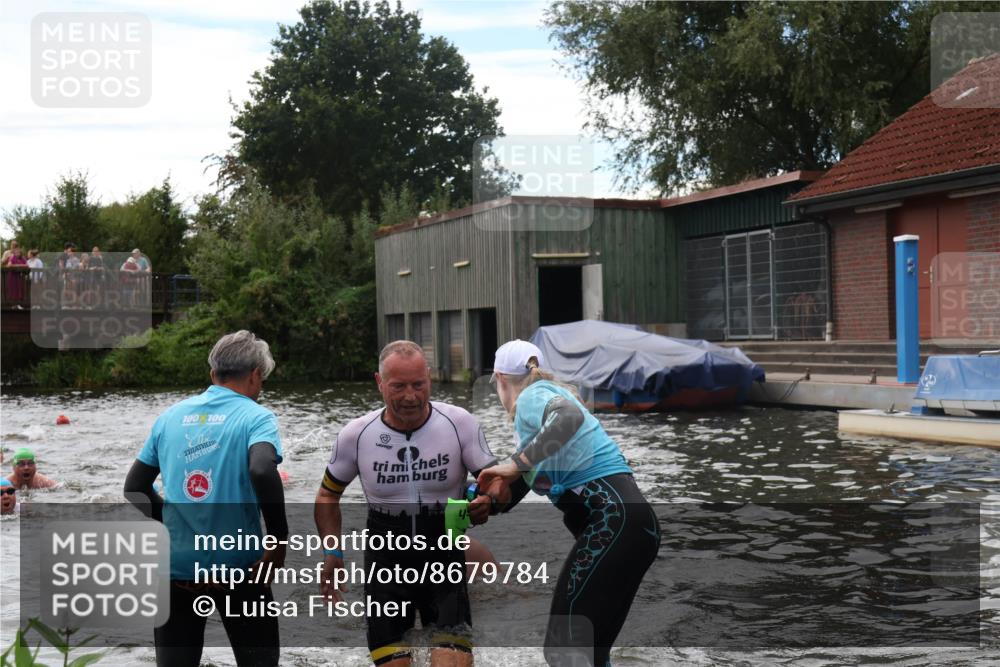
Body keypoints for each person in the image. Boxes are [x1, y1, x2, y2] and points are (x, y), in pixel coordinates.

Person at [314, 340, 524, 667]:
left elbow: (496, 482)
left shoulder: (459, 423)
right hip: (386, 568)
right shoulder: (356, 435)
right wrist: (333, 552)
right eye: (398, 387)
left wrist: (490, 499)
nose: (410, 396)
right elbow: (328, 494)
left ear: (429, 379)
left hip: (445, 563)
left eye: (418, 385)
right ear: (379, 383)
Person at [477, 340, 661, 667]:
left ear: (499, 378)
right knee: (590, 652)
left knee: (564, 650)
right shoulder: (541, 430)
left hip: (613, 523)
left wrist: (515, 464)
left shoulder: (534, 395)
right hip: (635, 528)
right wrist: (487, 502)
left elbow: (568, 416)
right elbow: (521, 485)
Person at [123, 330, 288, 667]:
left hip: (177, 568)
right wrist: (279, 539)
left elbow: (134, 487)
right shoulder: (256, 417)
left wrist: (170, 519)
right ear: (256, 376)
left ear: (213, 374)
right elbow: (261, 469)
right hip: (241, 568)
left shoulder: (169, 417)